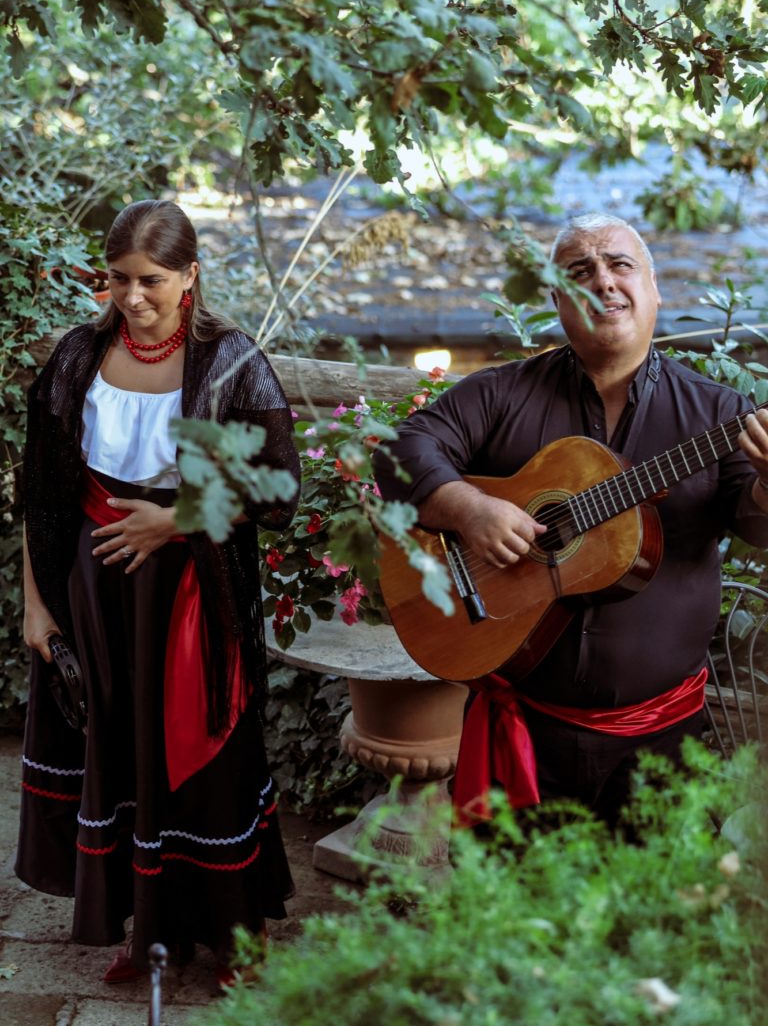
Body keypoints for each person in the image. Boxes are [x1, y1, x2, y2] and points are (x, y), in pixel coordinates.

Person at [373, 213, 768, 829]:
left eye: (620, 265)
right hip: (526, 734)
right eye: (580, 272)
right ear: (559, 300)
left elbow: (758, 525)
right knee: (515, 914)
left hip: (662, 742)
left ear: (655, 290)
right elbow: (401, 450)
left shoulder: (720, 413)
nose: (603, 282)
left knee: (653, 919)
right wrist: (469, 508)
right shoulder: (503, 394)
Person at [17, 199, 301, 985]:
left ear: (190, 277)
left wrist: (174, 521)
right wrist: (37, 606)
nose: (132, 297)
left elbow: (279, 490)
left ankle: (238, 938)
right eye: (118, 279)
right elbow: (40, 494)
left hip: (191, 599)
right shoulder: (77, 356)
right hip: (93, 597)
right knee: (123, 749)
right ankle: (146, 933)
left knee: (206, 756)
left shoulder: (231, 361)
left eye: (151, 280)